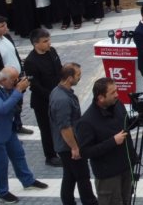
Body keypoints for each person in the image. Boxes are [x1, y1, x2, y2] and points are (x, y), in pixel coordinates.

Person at [0, 66, 48, 203]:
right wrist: (18, 90)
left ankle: (28, 180)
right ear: (2, 80)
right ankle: (2, 192)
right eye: (13, 80)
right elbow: (2, 108)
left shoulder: (3, 85)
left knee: (18, 154)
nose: (15, 83)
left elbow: (12, 101)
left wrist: (18, 89)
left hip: (7, 129)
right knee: (1, 163)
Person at [76, 78, 137, 205]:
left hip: (126, 167)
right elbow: (86, 152)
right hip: (108, 176)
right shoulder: (86, 122)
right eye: (113, 92)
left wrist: (139, 119)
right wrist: (113, 142)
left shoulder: (117, 105)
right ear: (101, 98)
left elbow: (125, 124)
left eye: (116, 91)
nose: (117, 95)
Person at [49, 62, 98, 205]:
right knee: (82, 176)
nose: (80, 78)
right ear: (69, 78)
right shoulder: (62, 99)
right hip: (69, 145)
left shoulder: (59, 92)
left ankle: (68, 201)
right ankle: (90, 202)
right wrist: (75, 147)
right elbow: (65, 127)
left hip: (65, 144)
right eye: (78, 75)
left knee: (70, 176)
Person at [22, 28, 62, 167]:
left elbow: (59, 70)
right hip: (43, 101)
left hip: (58, 95)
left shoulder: (52, 51)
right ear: (35, 43)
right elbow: (35, 86)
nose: (49, 43)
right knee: (46, 129)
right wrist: (52, 96)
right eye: (45, 41)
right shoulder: (31, 62)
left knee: (59, 124)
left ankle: (60, 146)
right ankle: (50, 156)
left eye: (49, 40)